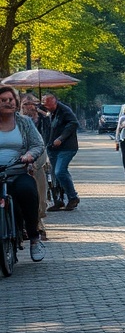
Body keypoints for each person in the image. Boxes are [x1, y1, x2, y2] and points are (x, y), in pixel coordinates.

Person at [0, 86, 46, 261]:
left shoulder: (24, 122)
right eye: (3, 100)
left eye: (10, 100)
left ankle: (34, 238)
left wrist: (29, 155)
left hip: (17, 171)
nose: (8, 103)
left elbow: (37, 144)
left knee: (27, 191)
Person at [43, 93, 80, 212]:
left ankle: (73, 197)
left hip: (66, 147)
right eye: (45, 104)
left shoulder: (64, 110)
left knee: (60, 171)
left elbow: (74, 123)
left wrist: (61, 138)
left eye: (49, 104)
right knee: (54, 175)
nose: (46, 107)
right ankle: (58, 200)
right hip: (52, 148)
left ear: (55, 102)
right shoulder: (46, 112)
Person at [20, 95, 50, 240]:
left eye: (32, 104)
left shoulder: (44, 120)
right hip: (21, 165)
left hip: (39, 162)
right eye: (26, 104)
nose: (29, 107)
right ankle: (32, 227)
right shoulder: (17, 121)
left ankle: (38, 223)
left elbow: (45, 140)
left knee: (41, 201)